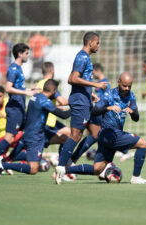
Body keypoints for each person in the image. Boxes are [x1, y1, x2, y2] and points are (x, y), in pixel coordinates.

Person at [62, 72, 146, 184]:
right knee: (143, 143)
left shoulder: (131, 96)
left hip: (109, 136)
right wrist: (108, 108)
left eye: (129, 86)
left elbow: (136, 118)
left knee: (97, 169)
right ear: (118, 82)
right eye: (124, 85)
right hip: (109, 134)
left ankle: (63, 169)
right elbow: (94, 111)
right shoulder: (109, 95)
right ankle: (136, 177)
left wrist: (132, 112)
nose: (127, 88)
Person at [54, 32, 108, 183]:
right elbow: (73, 79)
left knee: (96, 134)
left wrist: (90, 94)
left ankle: (71, 161)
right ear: (90, 42)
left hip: (85, 100)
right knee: (76, 135)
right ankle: (61, 166)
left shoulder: (86, 57)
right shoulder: (82, 56)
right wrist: (95, 85)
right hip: (79, 103)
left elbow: (79, 80)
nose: (98, 45)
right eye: (97, 42)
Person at [0, 79, 70, 177]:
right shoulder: (44, 101)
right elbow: (64, 116)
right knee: (33, 169)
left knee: (65, 138)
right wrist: (76, 107)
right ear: (54, 91)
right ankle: (2, 165)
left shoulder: (35, 97)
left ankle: (61, 166)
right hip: (35, 137)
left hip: (37, 133)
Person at [0, 43, 38, 169]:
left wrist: (28, 89)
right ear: (20, 54)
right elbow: (8, 88)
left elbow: (17, 87)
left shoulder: (19, 68)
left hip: (20, 108)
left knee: (28, 133)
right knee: (9, 138)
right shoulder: (13, 69)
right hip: (14, 109)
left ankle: (8, 160)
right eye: (27, 53)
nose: (28, 55)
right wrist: (26, 92)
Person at [69, 63, 111, 164]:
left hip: (95, 110)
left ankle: (70, 159)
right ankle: (67, 160)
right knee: (82, 135)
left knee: (93, 134)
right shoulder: (96, 82)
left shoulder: (104, 83)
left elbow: (105, 98)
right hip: (91, 110)